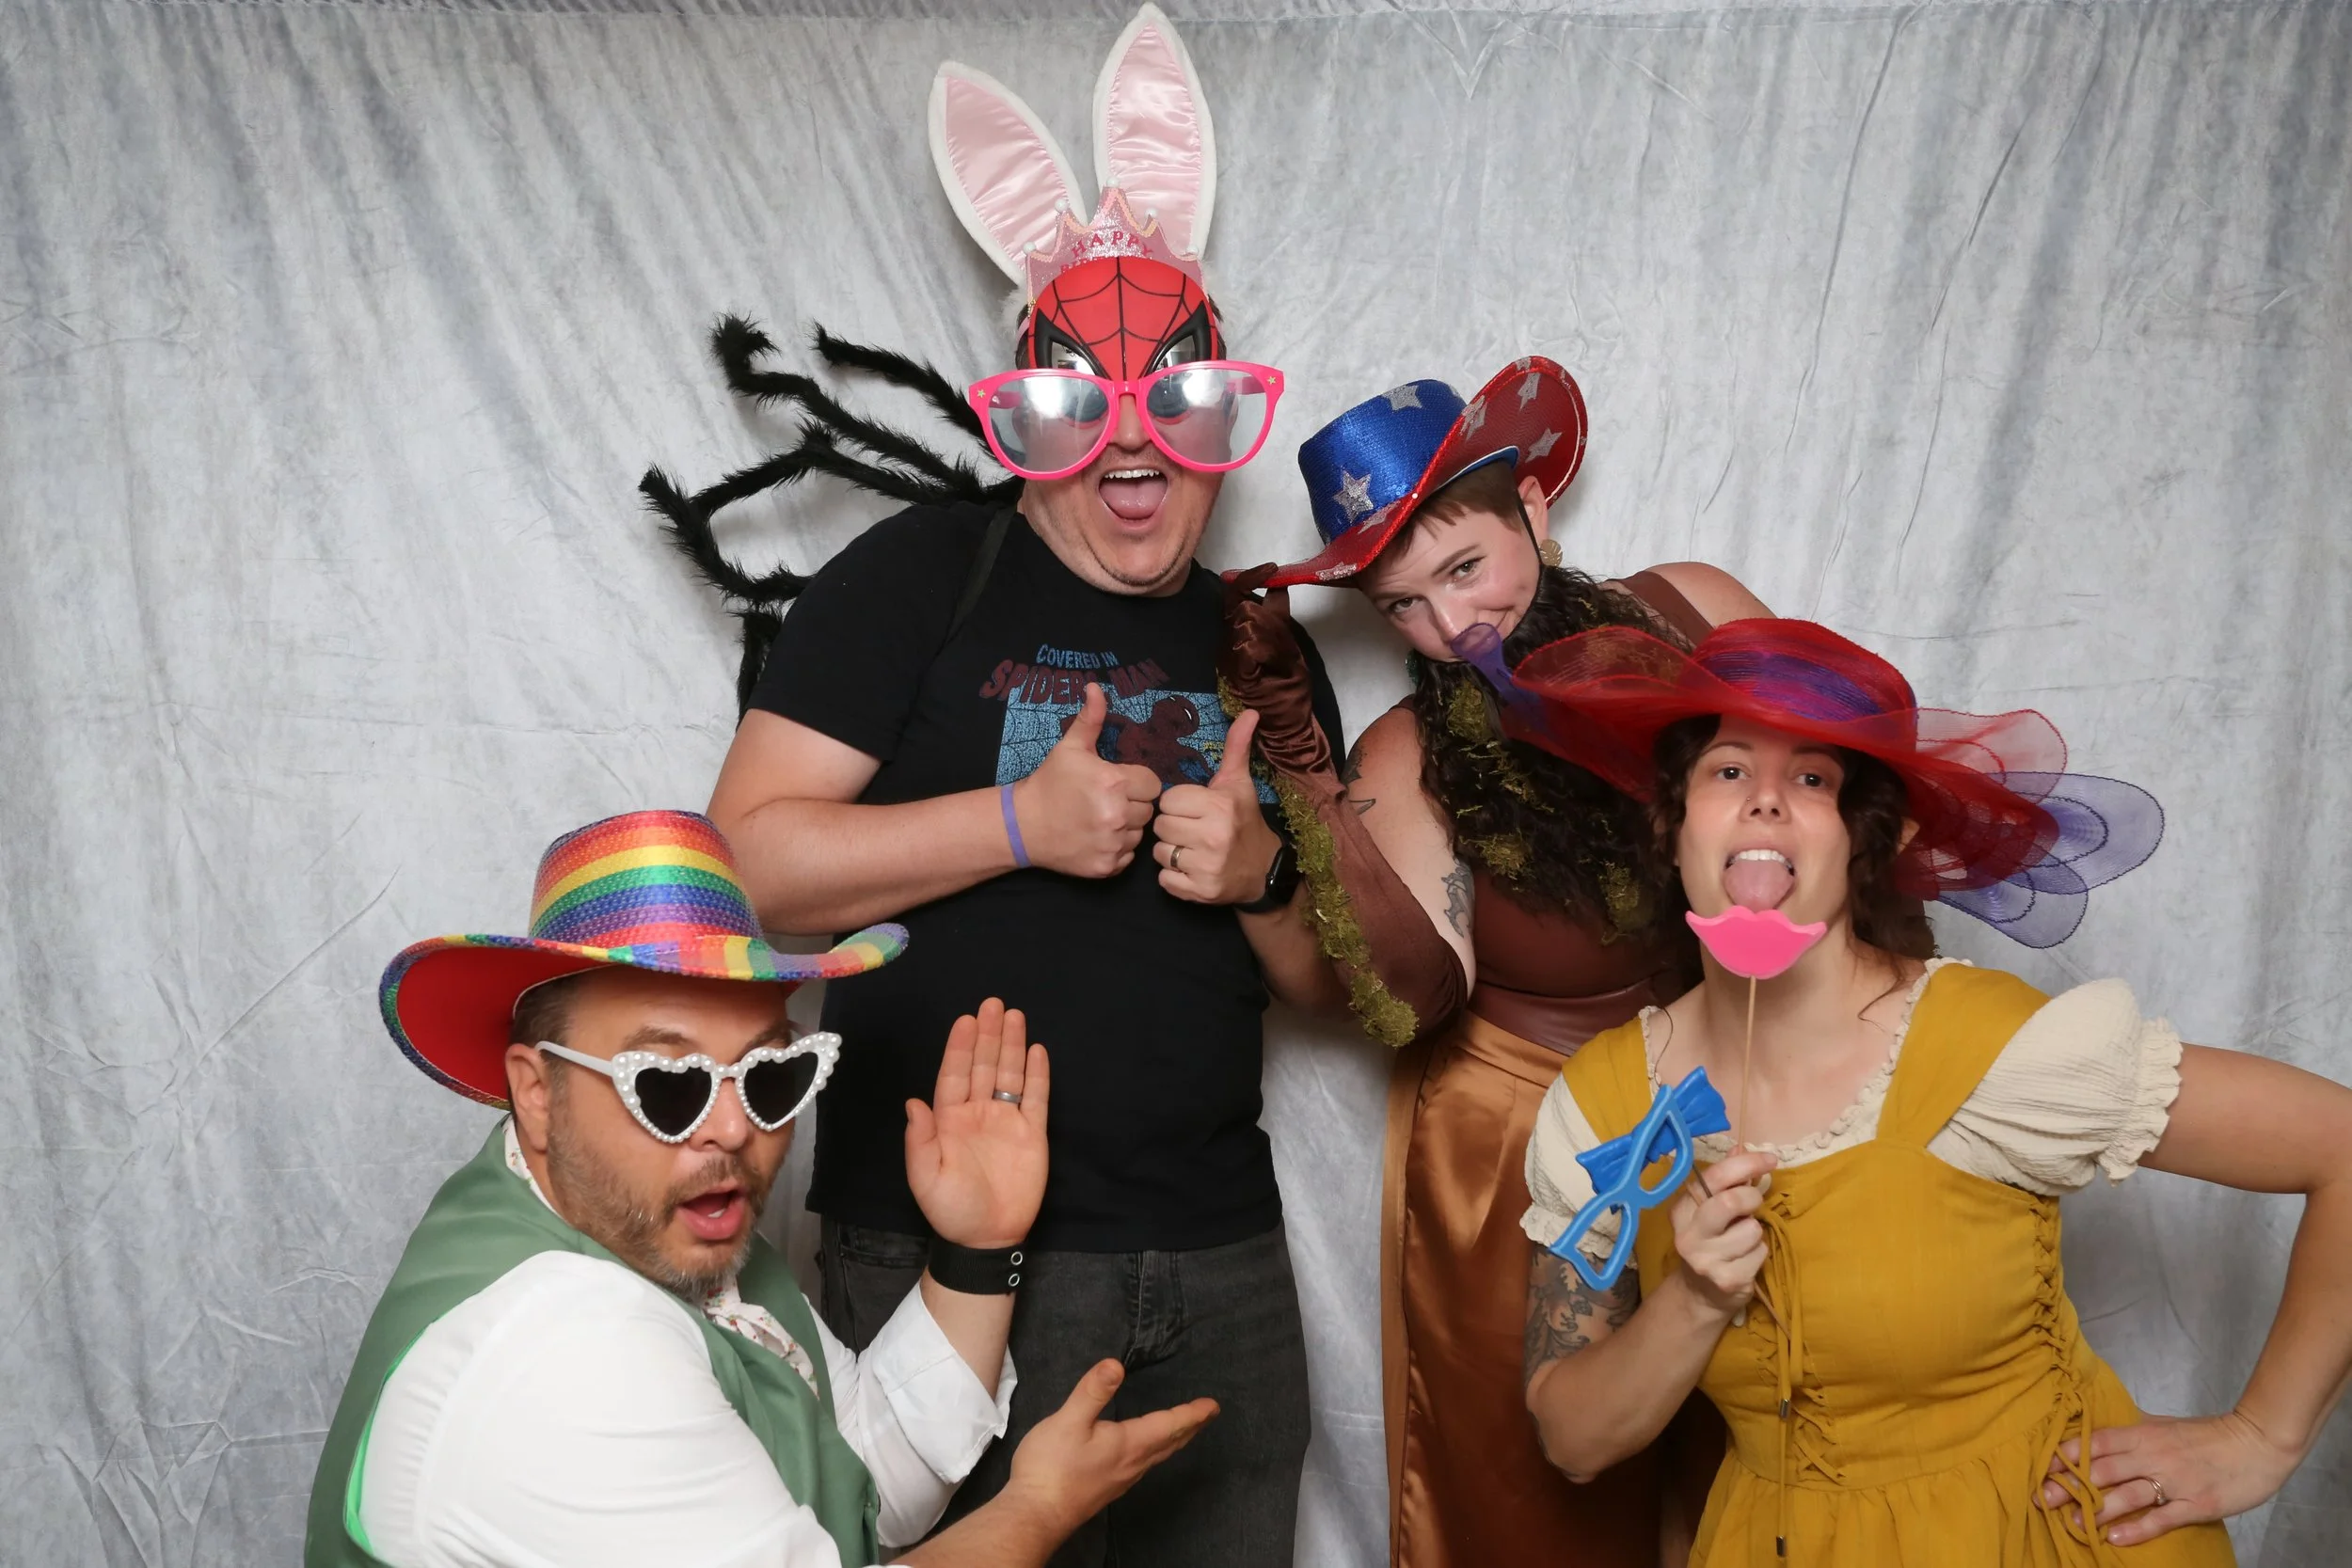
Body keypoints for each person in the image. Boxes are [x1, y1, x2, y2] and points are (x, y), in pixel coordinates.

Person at [700, 12, 1336, 1563]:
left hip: (1221, 1256)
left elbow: (1337, 985)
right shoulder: (920, 572)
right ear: (1028, 409)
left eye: (1173, 401)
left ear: (1216, 415)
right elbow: (738, 872)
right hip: (953, 1259)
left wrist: (1262, 875)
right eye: (1086, 400)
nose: (1134, 437)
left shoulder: (1260, 635)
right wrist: (1015, 827)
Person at [1509, 619, 2352, 1566]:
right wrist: (1694, 1299)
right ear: (1672, 826)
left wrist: (2259, 1437)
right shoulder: (1604, 1102)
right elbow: (1572, 1440)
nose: (1768, 803)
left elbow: (2340, 1146)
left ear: (1863, 838)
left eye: (1814, 778)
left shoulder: (1990, 1050)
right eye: (1728, 769)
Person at [302, 810, 1217, 1568]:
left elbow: (862, 1479)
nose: (734, 1128)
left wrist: (977, 1249)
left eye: (769, 1074)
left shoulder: (649, 1216)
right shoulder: (563, 1344)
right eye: (667, 1084)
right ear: (537, 1092)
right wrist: (1039, 1506)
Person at [1217, 362, 1770, 1567]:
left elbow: (1832, 800)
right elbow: (1395, 995)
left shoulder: (1688, 610)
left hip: (1744, 1089)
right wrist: (1309, 783)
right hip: (1525, 1137)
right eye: (1400, 605)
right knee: (1531, 1499)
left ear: (1530, 502)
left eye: (1464, 568)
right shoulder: (1410, 755)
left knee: (1766, 1458)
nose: (1448, 626)